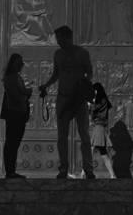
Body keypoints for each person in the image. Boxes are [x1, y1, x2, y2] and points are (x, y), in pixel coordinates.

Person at [38, 24, 95, 179]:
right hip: (63, 97)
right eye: (58, 39)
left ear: (68, 38)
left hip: (78, 99)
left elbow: (89, 72)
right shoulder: (58, 54)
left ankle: (88, 168)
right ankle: (63, 168)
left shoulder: (82, 53)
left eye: (60, 39)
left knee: (84, 135)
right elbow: (56, 73)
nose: (58, 42)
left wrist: (83, 85)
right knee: (62, 136)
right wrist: (47, 85)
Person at [1, 53, 31, 179]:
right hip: (15, 113)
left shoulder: (16, 77)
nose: (21, 65)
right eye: (19, 63)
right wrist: (26, 93)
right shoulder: (11, 78)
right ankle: (10, 171)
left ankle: (11, 170)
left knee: (14, 142)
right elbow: (15, 95)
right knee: (12, 142)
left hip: (19, 112)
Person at [87, 82, 114, 178]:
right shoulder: (100, 100)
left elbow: (94, 109)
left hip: (99, 127)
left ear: (97, 90)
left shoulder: (102, 100)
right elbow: (91, 112)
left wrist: (90, 104)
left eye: (93, 90)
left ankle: (83, 174)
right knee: (103, 153)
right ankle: (112, 175)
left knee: (91, 150)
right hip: (98, 127)